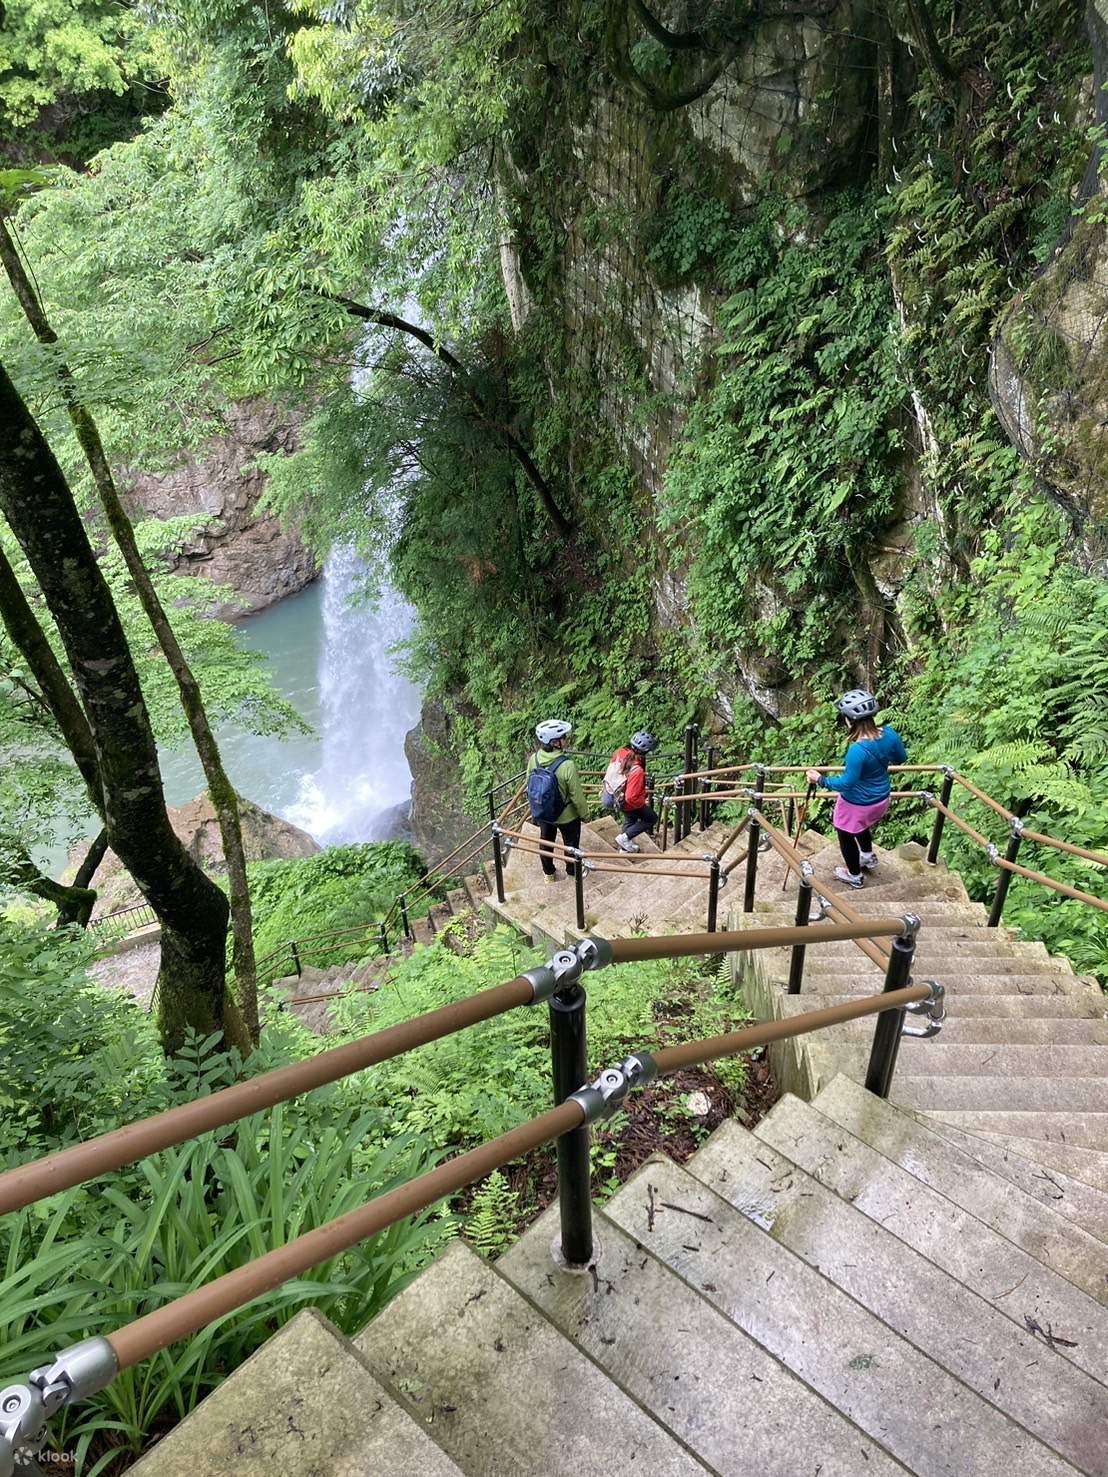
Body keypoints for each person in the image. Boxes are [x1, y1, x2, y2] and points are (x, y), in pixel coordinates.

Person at [806, 690, 906, 888]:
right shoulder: (890, 734)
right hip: (882, 798)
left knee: (845, 832)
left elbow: (846, 784)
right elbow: (901, 758)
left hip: (857, 803)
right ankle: (867, 857)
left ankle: (854, 875)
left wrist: (820, 779)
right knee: (860, 826)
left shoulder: (857, 751)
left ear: (849, 720)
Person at [527, 719, 591, 882]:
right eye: (563, 737)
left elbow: (530, 786)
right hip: (566, 815)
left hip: (544, 813)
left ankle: (548, 874)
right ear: (555, 743)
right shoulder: (567, 765)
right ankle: (572, 873)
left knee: (546, 841)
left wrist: (536, 809)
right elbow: (576, 796)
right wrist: (585, 814)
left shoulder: (533, 759)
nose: (566, 739)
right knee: (571, 845)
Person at [606, 731, 658, 852]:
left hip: (615, 794)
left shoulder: (621, 752)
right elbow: (631, 798)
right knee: (651, 818)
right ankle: (624, 839)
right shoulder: (637, 770)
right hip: (627, 801)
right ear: (644, 752)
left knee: (630, 820)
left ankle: (624, 848)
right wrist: (642, 799)